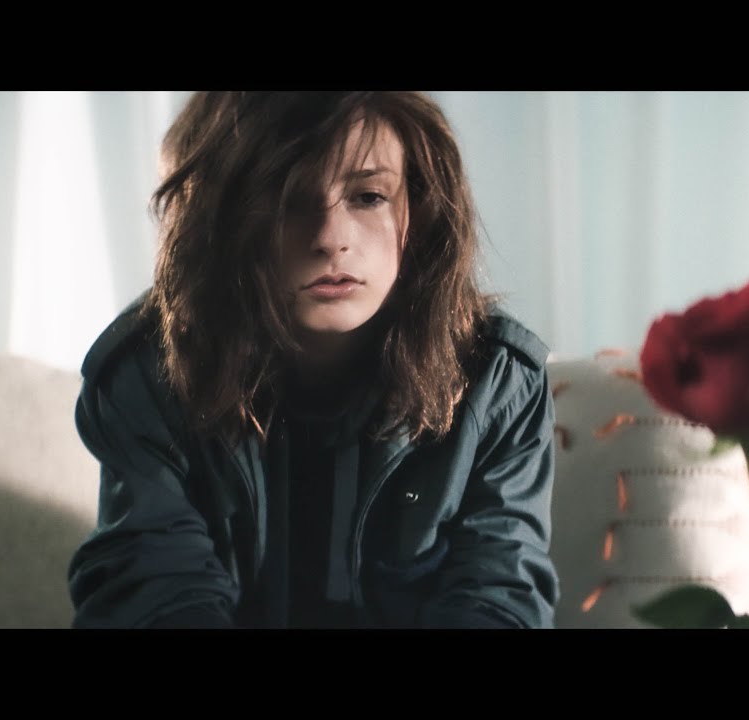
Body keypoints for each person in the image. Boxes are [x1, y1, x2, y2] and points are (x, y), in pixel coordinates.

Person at [66, 92, 560, 629]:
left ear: (418, 208)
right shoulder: (149, 373)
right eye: (289, 200)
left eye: (368, 196)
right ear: (220, 216)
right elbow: (155, 593)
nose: (330, 239)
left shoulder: (497, 383)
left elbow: (495, 596)